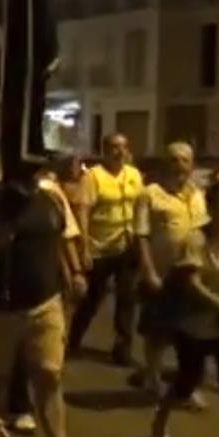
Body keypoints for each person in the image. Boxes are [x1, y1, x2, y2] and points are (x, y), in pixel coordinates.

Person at [0, 165, 83, 437]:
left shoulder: (51, 197)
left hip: (45, 303)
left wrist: (73, 273)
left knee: (50, 375)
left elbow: (60, 240)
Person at [149, 171, 219, 437]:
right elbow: (191, 282)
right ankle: (159, 424)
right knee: (188, 380)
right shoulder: (196, 239)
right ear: (210, 207)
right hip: (196, 323)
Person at [132, 142, 208, 398]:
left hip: (192, 276)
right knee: (157, 332)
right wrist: (148, 272)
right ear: (166, 163)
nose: (180, 166)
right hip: (161, 274)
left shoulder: (198, 195)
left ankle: (187, 385)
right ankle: (152, 378)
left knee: (192, 334)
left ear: (192, 165)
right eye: (174, 160)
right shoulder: (150, 194)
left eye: (185, 160)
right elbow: (141, 236)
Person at [68, 132, 144, 365]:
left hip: (126, 246)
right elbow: (83, 211)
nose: (118, 151)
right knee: (92, 298)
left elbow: (140, 205)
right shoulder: (93, 177)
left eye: (122, 146)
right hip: (100, 248)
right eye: (113, 147)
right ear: (104, 151)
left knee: (127, 299)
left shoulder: (133, 174)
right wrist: (85, 247)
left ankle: (122, 349)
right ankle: (73, 340)